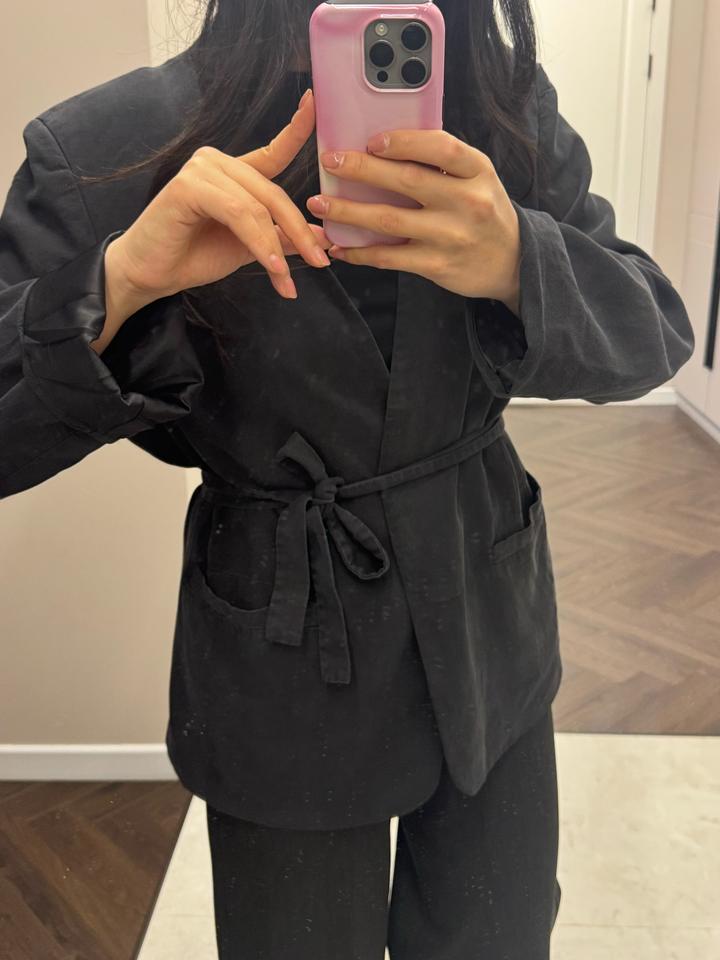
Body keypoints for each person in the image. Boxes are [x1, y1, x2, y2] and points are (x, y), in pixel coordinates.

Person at [0, 1, 694, 957]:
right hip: (282, 656)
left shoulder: (500, 106)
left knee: (497, 936)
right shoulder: (110, 149)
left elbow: (651, 333)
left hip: (486, 618)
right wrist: (119, 282)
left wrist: (519, 260)